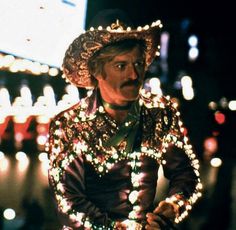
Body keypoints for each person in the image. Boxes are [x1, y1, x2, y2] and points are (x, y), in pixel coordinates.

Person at [47, 9, 202, 230]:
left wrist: (172, 207)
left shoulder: (160, 113)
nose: (134, 75)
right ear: (97, 71)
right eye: (121, 66)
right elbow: (67, 201)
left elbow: (186, 173)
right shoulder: (69, 125)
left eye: (138, 64)